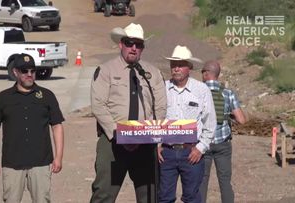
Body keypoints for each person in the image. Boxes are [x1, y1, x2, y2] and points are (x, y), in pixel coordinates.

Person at [90, 23, 167, 203]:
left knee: (149, 194)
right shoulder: (106, 70)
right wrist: (119, 135)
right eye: (129, 43)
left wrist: (150, 133)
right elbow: (98, 105)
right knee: (103, 193)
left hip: (145, 142)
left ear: (142, 48)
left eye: (138, 44)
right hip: (113, 141)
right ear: (121, 44)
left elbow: (161, 106)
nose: (133, 48)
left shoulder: (152, 73)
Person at [0, 53, 64, 203]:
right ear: (15, 72)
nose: (29, 74)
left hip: (41, 162)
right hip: (12, 163)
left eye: (32, 71)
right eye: (24, 71)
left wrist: (59, 157)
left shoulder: (47, 96)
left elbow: (57, 126)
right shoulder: (2, 98)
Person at [158, 45, 216, 203]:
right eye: (173, 64)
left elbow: (210, 122)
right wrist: (156, 145)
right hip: (166, 153)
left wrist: (201, 148)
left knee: (192, 198)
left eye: (181, 64)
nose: (176, 68)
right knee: (164, 198)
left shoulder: (201, 90)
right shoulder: (162, 89)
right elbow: (154, 118)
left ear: (189, 67)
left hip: (191, 152)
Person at [199, 60, 246, 203]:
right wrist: (227, 116)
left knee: (201, 181)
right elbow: (242, 120)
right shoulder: (228, 93)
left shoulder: (197, 91)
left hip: (202, 144)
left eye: (202, 72)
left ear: (206, 73)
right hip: (223, 144)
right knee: (225, 181)